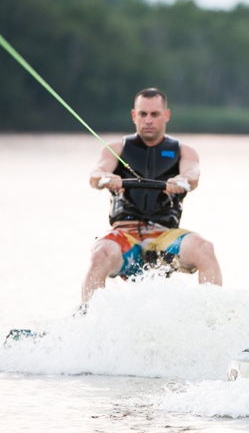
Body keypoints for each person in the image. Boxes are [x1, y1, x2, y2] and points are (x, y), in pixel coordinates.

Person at [81, 88, 222, 304]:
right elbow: (95, 174)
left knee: (204, 248)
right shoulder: (116, 149)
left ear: (166, 115)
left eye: (154, 114)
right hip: (125, 239)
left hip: (163, 239)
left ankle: (214, 317)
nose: (148, 120)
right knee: (100, 252)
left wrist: (181, 180)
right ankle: (87, 319)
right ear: (133, 115)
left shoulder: (184, 152)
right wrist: (106, 177)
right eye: (143, 114)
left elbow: (193, 175)